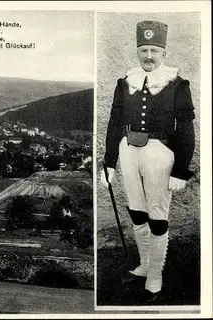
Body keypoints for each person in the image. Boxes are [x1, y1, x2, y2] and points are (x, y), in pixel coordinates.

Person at [100, 20, 196, 303]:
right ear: (137, 51)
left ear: (163, 52)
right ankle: (144, 264)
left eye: (154, 50)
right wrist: (109, 162)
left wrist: (181, 170)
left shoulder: (178, 85)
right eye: (144, 49)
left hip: (160, 153)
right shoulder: (124, 82)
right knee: (137, 212)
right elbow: (115, 122)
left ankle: (156, 274)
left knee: (157, 215)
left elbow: (186, 130)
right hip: (128, 149)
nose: (149, 56)